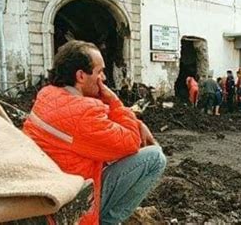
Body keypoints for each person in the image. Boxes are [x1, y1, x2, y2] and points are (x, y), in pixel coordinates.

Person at [22, 40, 166, 225]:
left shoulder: (47, 95)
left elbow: (93, 124)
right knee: (154, 158)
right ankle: (108, 221)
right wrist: (115, 101)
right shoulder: (84, 113)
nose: (104, 78)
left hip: (51, 194)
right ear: (81, 76)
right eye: (100, 72)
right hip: (74, 204)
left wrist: (136, 122)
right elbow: (131, 142)